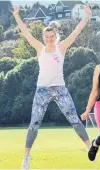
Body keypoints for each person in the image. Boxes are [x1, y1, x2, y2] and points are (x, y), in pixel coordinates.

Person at [13, 4, 92, 169]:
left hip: (60, 89)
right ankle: (26, 156)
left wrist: (86, 16)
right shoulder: (39, 48)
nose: (49, 38)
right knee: (34, 123)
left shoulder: (60, 47)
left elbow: (76, 32)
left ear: (56, 36)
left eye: (52, 36)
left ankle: (89, 147)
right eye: (47, 36)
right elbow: (26, 33)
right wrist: (16, 15)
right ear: (43, 37)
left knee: (75, 120)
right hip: (42, 90)